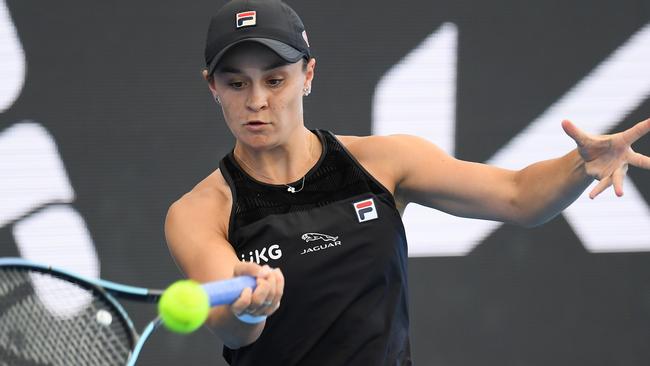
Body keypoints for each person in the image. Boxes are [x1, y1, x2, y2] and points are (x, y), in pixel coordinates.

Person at [164, 0, 650, 364]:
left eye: (275, 80)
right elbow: (231, 331)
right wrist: (251, 308)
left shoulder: (385, 161)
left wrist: (579, 164)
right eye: (236, 83)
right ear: (213, 86)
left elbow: (519, 197)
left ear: (307, 75)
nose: (256, 101)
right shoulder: (199, 212)